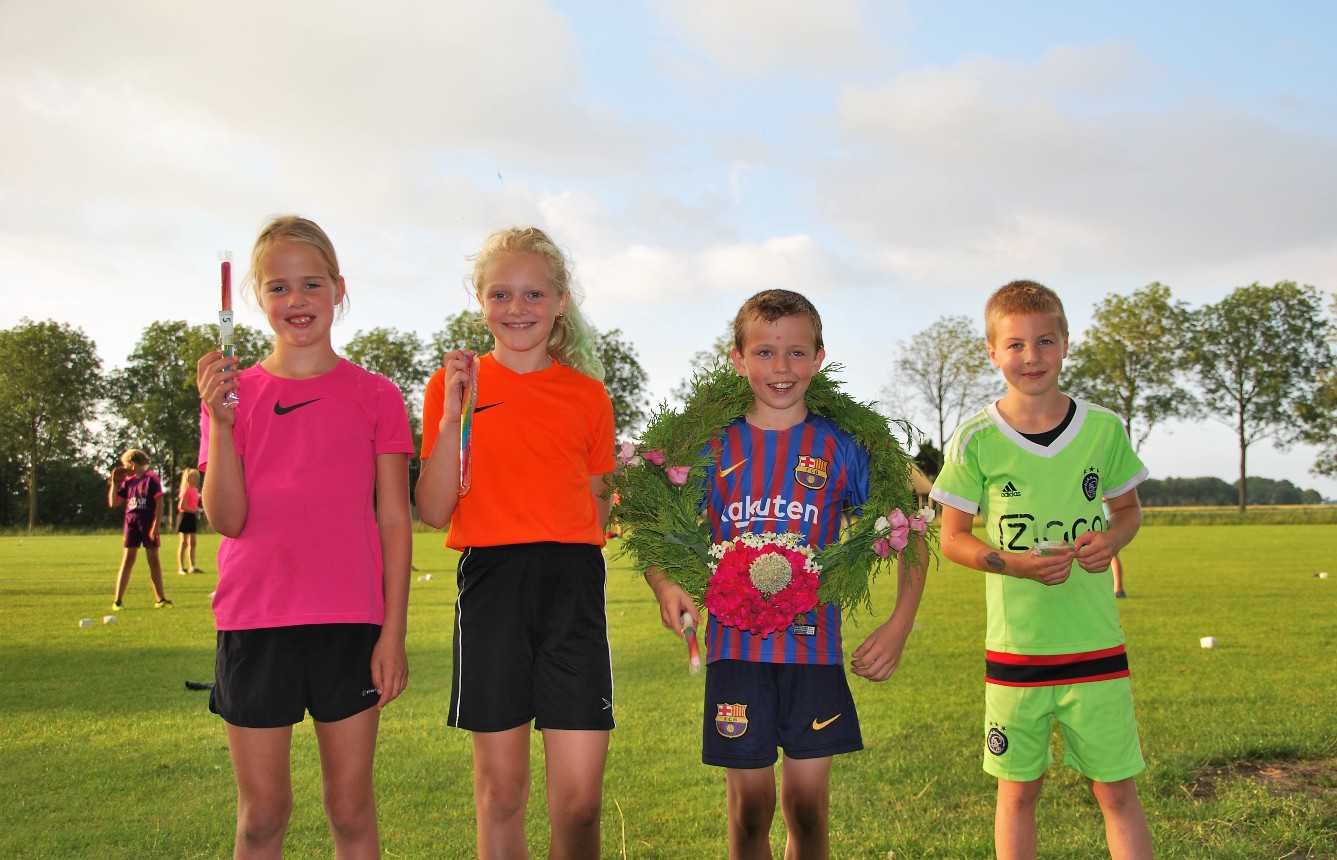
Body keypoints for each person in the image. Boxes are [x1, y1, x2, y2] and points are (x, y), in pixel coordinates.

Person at [646, 289, 927, 860]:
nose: (782, 367)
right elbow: (659, 527)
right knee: (750, 811)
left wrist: (900, 624)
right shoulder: (710, 446)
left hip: (812, 650)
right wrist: (664, 583)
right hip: (735, 649)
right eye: (765, 352)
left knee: (807, 809)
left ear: (819, 359)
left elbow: (911, 529)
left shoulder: (841, 445)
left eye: (797, 352)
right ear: (738, 359)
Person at [196, 215, 413, 859]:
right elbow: (227, 519)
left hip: (350, 623)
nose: (297, 299)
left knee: (350, 809)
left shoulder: (376, 395)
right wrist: (219, 424)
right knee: (262, 816)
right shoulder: (232, 396)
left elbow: (394, 520)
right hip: (255, 621)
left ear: (339, 289)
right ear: (256, 298)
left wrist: (392, 633)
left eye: (312, 283)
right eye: (279, 287)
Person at [930, 280, 1153, 860]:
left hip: (1095, 645)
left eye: (1045, 341)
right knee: (1018, 793)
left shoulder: (1103, 428)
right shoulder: (976, 437)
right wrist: (1014, 565)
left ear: (1066, 344)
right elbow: (951, 538)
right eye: (1015, 344)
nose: (1031, 356)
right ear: (993, 352)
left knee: (1116, 791)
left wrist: (1111, 539)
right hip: (1018, 651)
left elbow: (1128, 511)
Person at [416, 226, 616, 860]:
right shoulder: (452, 386)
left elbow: (600, 503)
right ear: (481, 301)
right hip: (493, 589)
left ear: (560, 301)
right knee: (502, 794)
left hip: (572, 589)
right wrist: (453, 416)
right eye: (500, 293)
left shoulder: (588, 395)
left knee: (580, 805)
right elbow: (432, 510)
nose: (517, 307)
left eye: (533, 293)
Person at [108, 448, 171, 610]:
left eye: (125, 465)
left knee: (153, 559)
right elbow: (113, 503)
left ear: (132, 464)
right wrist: (115, 484)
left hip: (148, 522)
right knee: (128, 559)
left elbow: (159, 503)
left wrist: (156, 525)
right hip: (131, 523)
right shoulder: (129, 482)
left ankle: (160, 598)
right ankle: (118, 600)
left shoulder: (151, 479)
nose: (124, 469)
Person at [176, 466, 203, 575]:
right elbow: (181, 506)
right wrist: (194, 510)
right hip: (185, 516)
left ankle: (192, 566)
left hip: (192, 517)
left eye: (197, 477)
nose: (196, 479)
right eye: (194, 477)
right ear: (189, 478)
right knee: (184, 543)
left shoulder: (196, 490)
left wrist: (197, 510)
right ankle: (181, 567)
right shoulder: (186, 490)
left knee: (193, 542)